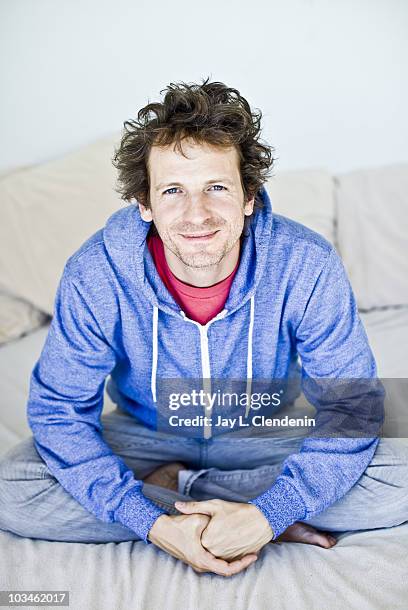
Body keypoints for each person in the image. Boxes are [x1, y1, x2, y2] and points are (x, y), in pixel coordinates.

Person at [0, 78, 407, 578]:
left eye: (217, 187)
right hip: (147, 432)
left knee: (400, 473)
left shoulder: (306, 262)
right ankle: (208, 511)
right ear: (145, 203)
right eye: (173, 190)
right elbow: (59, 410)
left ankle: (199, 494)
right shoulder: (96, 272)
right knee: (16, 488)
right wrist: (151, 522)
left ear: (248, 196)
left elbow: (351, 403)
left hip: (263, 429)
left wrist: (271, 513)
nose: (197, 214)